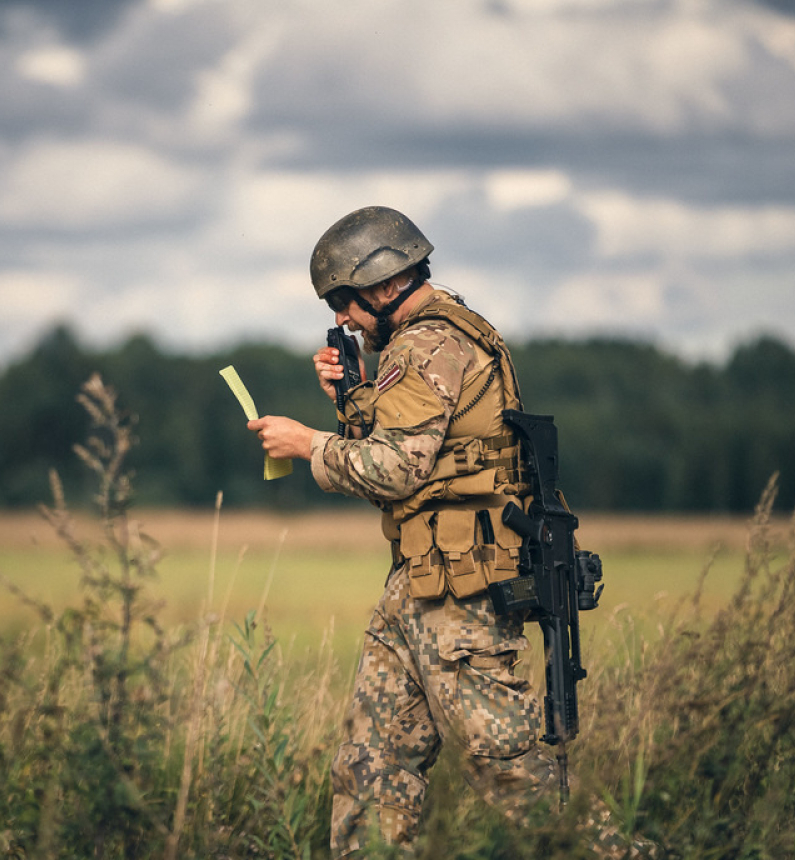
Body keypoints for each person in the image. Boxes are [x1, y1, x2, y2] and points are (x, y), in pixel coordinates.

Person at [246, 206, 642, 858]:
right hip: (422, 583)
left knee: (507, 766)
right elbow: (409, 454)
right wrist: (351, 399)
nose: (343, 320)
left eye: (344, 302)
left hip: (461, 592)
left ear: (383, 285)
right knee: (372, 765)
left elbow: (395, 469)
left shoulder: (427, 345)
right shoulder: (437, 336)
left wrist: (307, 443)